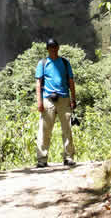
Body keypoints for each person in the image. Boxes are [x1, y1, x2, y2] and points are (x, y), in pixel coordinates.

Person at [35, 38, 77, 168]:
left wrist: (73, 99)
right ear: (47, 49)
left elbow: (70, 81)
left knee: (67, 129)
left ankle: (68, 157)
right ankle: (42, 159)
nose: (53, 49)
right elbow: (38, 83)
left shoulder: (65, 63)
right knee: (45, 129)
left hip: (64, 98)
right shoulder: (42, 63)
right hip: (48, 99)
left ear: (58, 48)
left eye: (54, 47)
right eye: (50, 47)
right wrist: (39, 102)